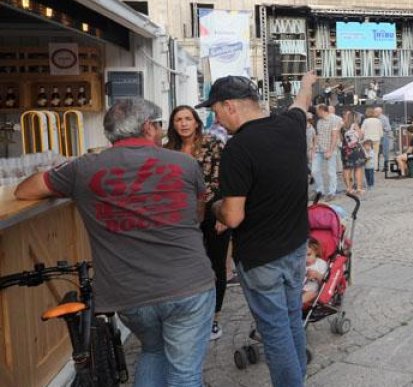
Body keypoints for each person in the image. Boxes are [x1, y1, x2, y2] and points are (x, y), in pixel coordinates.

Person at [16, 98, 215, 386]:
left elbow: (24, 190)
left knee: (153, 351)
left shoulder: (83, 168)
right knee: (184, 373)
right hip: (188, 284)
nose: (161, 130)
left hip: (130, 293)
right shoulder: (185, 163)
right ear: (147, 127)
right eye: (158, 124)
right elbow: (197, 214)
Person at [210, 71, 317, 386]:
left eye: (215, 112)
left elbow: (233, 217)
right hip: (296, 247)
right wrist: (307, 82)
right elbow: (302, 102)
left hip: (261, 259)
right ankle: (299, 377)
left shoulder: (237, 149)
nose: (217, 120)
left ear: (230, 106)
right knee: (291, 320)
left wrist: (214, 206)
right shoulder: (292, 126)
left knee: (275, 332)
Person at [165, 104, 230, 341]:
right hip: (182, 216)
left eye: (187, 119)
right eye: (178, 119)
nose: (183, 123)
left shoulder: (212, 143)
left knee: (215, 264)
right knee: (188, 266)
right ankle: (192, 315)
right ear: (173, 124)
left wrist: (224, 214)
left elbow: (226, 177)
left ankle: (214, 318)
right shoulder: (168, 150)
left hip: (213, 210)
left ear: (196, 122)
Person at [313, 105, 343, 196]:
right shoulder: (319, 121)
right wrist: (314, 148)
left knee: (331, 172)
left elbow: (334, 136)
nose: (316, 113)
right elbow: (317, 135)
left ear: (322, 110)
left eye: (317, 111)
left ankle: (331, 192)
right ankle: (320, 191)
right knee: (314, 171)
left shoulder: (334, 119)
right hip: (319, 149)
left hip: (330, 149)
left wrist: (330, 150)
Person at [341, 110, 368, 198]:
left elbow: (340, 138)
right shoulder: (354, 125)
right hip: (356, 150)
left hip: (346, 149)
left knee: (347, 169)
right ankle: (359, 188)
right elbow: (360, 136)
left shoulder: (341, 125)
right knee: (358, 168)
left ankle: (349, 188)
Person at [360, 108, 383, 190]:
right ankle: (374, 168)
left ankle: (367, 167)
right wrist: (380, 136)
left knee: (367, 154)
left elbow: (362, 131)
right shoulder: (378, 121)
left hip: (367, 140)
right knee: (375, 154)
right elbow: (381, 131)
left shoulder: (366, 121)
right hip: (376, 138)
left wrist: (361, 139)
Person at [301, 239, 329, 308]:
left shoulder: (321, 264)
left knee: (311, 293)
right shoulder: (300, 264)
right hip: (298, 288)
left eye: (309, 255)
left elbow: (325, 281)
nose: (306, 258)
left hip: (313, 291)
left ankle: (296, 305)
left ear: (316, 252)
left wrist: (316, 275)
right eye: (303, 256)